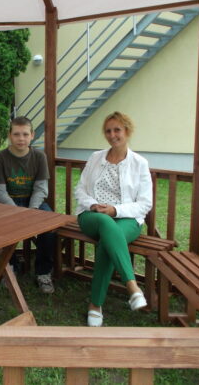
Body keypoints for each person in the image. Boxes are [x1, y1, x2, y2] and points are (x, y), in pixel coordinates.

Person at [75, 111, 152, 327]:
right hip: (92, 216)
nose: (112, 135)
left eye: (117, 130)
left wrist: (115, 210)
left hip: (127, 218)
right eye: (108, 131)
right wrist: (93, 205)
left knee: (107, 241)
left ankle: (95, 304)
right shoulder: (95, 158)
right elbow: (80, 189)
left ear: (127, 131)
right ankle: (132, 286)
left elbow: (145, 203)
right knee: (105, 224)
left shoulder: (139, 163)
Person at [0, 116, 57, 294]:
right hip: (6, 204)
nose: (21, 138)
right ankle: (10, 267)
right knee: (2, 225)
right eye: (17, 134)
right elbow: (0, 191)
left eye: (25, 134)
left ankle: (43, 272)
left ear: (32, 135)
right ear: (9, 135)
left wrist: (31, 211)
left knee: (50, 227)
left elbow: (41, 189)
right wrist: (17, 212)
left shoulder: (39, 157)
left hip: (33, 202)